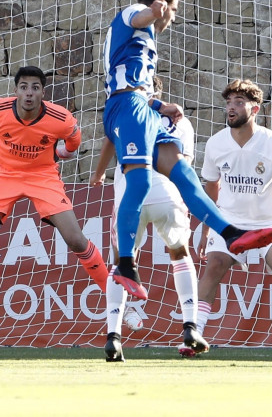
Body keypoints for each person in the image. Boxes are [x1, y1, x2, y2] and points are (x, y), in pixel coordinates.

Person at [101, 0, 272, 361]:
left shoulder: (146, 41)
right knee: (141, 179)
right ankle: (126, 265)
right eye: (174, 11)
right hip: (124, 108)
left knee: (182, 175)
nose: (173, 18)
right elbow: (141, 15)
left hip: (143, 108)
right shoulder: (133, 15)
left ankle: (231, 234)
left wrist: (159, 105)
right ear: (161, 4)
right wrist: (156, 10)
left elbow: (138, 78)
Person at [0, 66, 109, 340]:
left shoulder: (59, 118)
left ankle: (114, 298)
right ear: (16, 91)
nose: (29, 93)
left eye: (35, 87)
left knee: (75, 239)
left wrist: (62, 151)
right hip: (5, 175)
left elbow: (74, 139)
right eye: (24, 87)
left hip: (43, 176)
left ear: (43, 92)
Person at [194, 79, 272, 358]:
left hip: (271, 222)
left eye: (239, 102)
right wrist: (205, 228)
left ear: (255, 109)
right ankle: (195, 335)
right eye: (228, 103)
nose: (231, 108)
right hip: (229, 223)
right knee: (213, 266)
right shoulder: (215, 144)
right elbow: (211, 189)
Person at [90, 76, 206, 361]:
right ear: (159, 92)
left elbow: (108, 141)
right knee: (180, 255)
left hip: (132, 198)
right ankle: (190, 326)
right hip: (168, 195)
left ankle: (113, 336)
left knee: (121, 262)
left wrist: (98, 172)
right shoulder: (183, 122)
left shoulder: (125, 112)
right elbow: (184, 166)